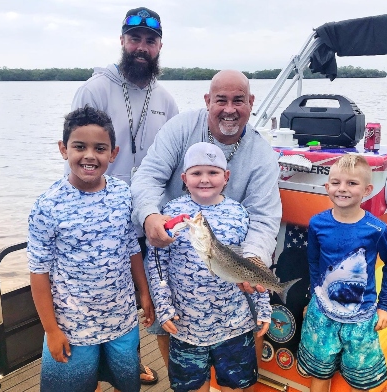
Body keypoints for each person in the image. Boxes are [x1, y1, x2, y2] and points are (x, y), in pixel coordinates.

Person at [130, 69, 282, 386]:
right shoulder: (180, 127)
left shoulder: (262, 154)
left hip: (233, 265)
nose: (229, 109)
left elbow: (264, 217)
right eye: (220, 100)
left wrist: (254, 259)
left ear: (251, 102)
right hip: (174, 248)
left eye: (238, 100)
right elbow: (147, 177)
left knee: (242, 340)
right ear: (207, 101)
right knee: (169, 330)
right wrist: (149, 216)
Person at [70, 6, 178, 385]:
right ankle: (105, 367)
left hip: (147, 218)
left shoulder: (166, 99)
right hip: (101, 217)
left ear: (159, 46)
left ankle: (128, 361)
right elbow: (77, 152)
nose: (141, 48)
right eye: (135, 39)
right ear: (122, 41)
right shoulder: (95, 89)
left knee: (144, 293)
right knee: (101, 293)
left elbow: (175, 167)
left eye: (150, 41)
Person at [28, 106, 154, 392]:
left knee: (126, 381)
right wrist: (51, 330)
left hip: (122, 321)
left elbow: (132, 247)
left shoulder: (123, 193)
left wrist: (144, 293)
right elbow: (38, 271)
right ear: (63, 149)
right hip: (72, 328)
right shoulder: (47, 205)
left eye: (100, 148)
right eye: (79, 147)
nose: (89, 155)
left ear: (113, 153)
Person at [147, 142, 271, 392]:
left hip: (235, 324)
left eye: (213, 172)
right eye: (196, 173)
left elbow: (251, 265)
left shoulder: (239, 213)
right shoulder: (171, 213)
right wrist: (163, 307)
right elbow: (157, 262)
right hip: (186, 328)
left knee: (237, 387)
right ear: (184, 178)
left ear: (226, 177)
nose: (205, 180)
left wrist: (263, 306)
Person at [296, 154, 387, 392]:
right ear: (327, 186)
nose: (342, 189)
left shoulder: (377, 229)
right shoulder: (317, 224)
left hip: (362, 318)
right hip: (321, 315)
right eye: (336, 183)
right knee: (319, 372)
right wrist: (314, 295)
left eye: (352, 183)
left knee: (360, 380)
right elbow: (313, 261)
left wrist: (384, 306)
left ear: (367, 189)